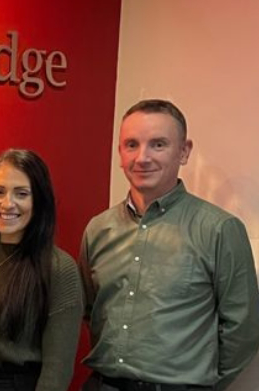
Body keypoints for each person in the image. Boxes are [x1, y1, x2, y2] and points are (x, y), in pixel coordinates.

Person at [80, 99, 259, 391]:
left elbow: (244, 327)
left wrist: (201, 384)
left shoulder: (220, 229)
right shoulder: (98, 228)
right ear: (120, 154)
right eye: (131, 145)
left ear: (184, 151)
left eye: (158, 144)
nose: (142, 158)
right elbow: (90, 309)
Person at [0, 148, 83, 391]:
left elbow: (56, 373)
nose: (8, 203)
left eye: (21, 193)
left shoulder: (59, 268)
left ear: (39, 201)